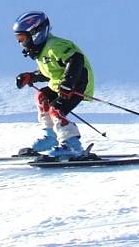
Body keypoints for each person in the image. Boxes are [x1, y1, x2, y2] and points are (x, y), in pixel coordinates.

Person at [13, 11, 94, 157]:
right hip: (60, 85)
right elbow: (50, 72)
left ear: (35, 33)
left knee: (56, 110)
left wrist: (68, 84)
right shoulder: (42, 51)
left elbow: (76, 60)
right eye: (18, 38)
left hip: (78, 84)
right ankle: (51, 138)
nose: (20, 42)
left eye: (22, 38)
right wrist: (31, 77)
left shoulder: (55, 46)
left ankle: (73, 146)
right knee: (41, 96)